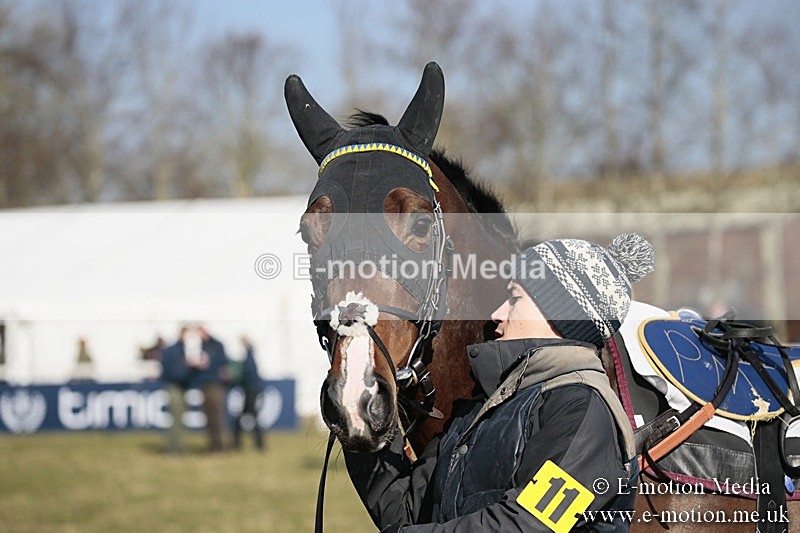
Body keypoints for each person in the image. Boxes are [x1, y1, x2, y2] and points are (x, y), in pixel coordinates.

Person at [344, 233, 654, 532]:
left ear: (560, 315)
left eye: (514, 298)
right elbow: (411, 514)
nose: (497, 313)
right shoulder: (484, 407)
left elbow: (529, 524)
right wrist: (363, 419)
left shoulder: (584, 413)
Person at [185, 325, 230, 453]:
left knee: (217, 417)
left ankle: (220, 446)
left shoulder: (216, 345)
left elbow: (223, 364)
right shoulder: (198, 346)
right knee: (209, 417)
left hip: (215, 385)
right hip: (204, 385)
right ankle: (213, 445)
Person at [231, 336, 265, 451]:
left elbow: (247, 374)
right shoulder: (250, 355)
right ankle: (257, 444)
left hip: (251, 390)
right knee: (250, 416)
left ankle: (238, 443)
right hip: (252, 390)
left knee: (248, 416)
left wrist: (236, 377)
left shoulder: (248, 356)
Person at [160, 328, 190, 454]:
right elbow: (170, 370)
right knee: (176, 417)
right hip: (174, 385)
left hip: (182, 386)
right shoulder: (172, 350)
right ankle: (174, 447)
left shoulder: (185, 350)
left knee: (180, 418)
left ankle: (178, 446)